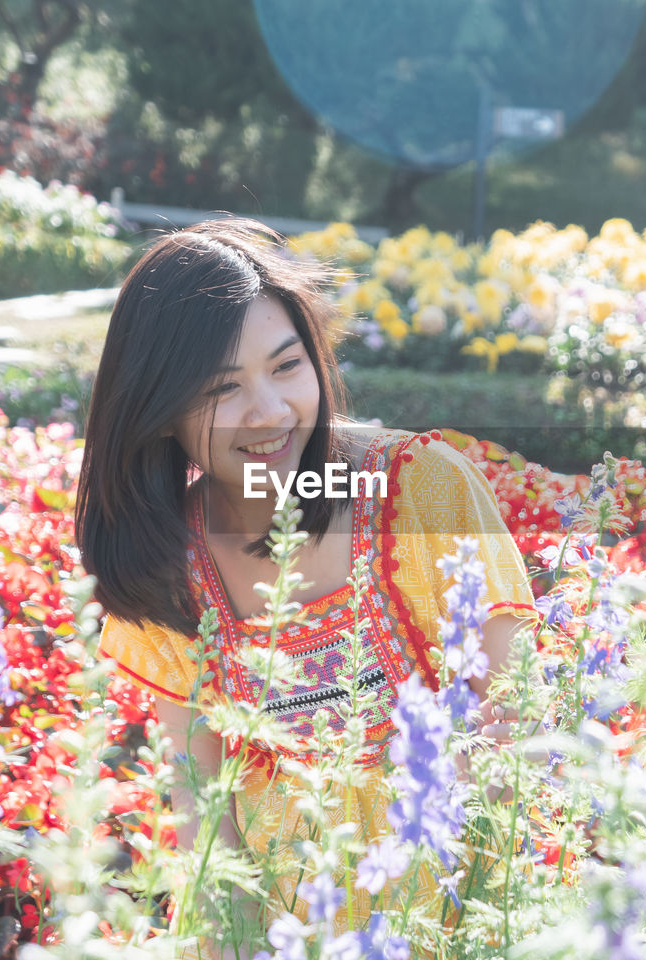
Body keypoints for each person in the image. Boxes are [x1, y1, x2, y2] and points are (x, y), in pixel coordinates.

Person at [74, 218, 538, 953]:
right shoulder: (166, 563)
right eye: (222, 390)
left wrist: (450, 909)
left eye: (287, 367)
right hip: (281, 922)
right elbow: (204, 805)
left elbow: (515, 717)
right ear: (161, 414)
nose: (270, 412)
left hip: (455, 895)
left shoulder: (420, 491)